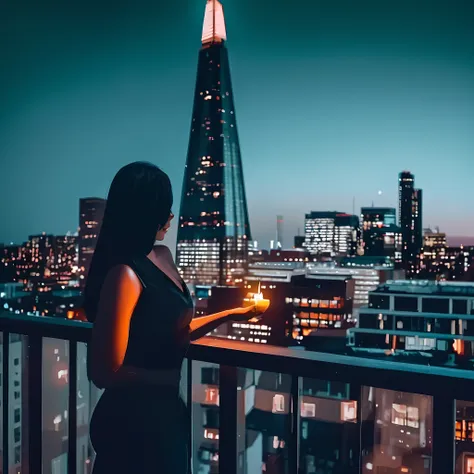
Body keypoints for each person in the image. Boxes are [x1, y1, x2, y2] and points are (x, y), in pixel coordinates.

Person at [84, 161, 260, 473]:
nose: (171, 217)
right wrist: (164, 378)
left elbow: (176, 330)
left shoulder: (162, 257)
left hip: (166, 415)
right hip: (131, 424)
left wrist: (234, 313)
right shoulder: (124, 275)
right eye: (166, 208)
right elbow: (104, 372)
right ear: (146, 212)